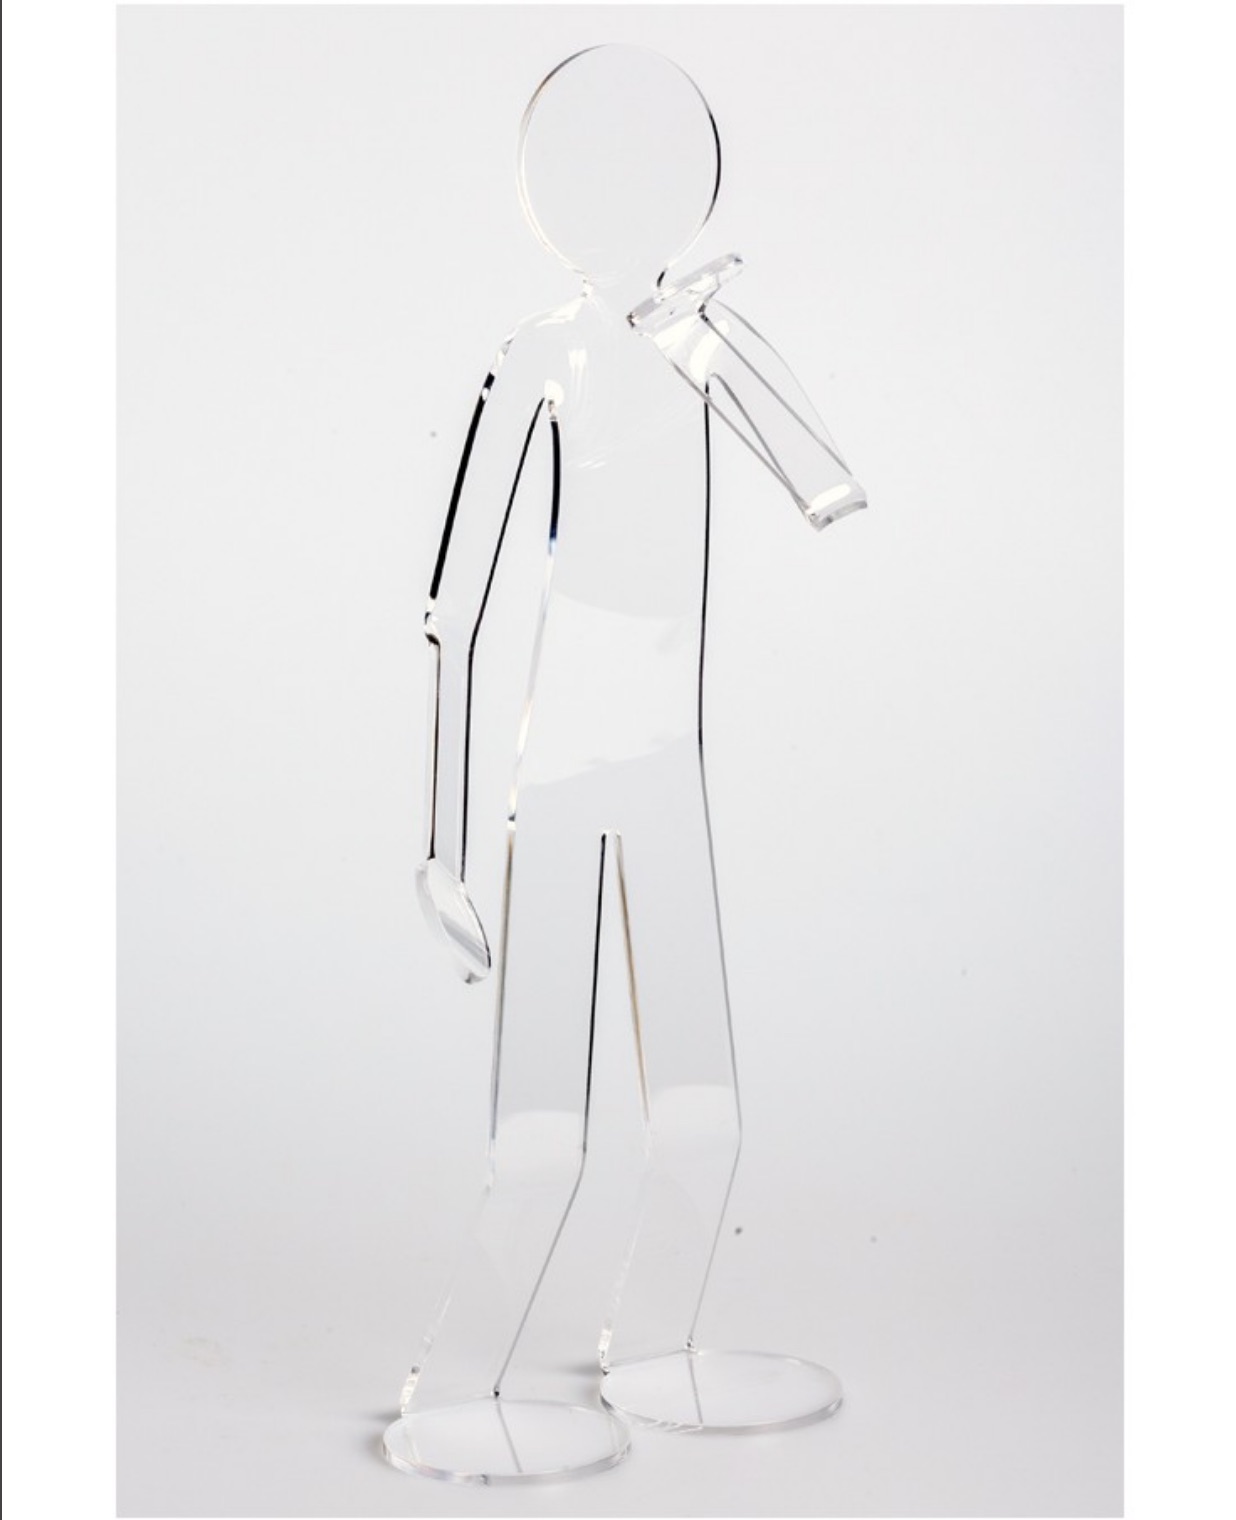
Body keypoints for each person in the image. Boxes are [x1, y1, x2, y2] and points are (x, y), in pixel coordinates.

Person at [386, 44, 865, 1481]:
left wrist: (711, 340)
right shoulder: (540, 357)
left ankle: (654, 1347)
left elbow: (827, 479)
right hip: (561, 780)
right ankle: (456, 1389)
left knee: (703, 1111)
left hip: (667, 772)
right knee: (546, 1132)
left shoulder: (695, 341)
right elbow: (458, 605)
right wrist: (445, 844)